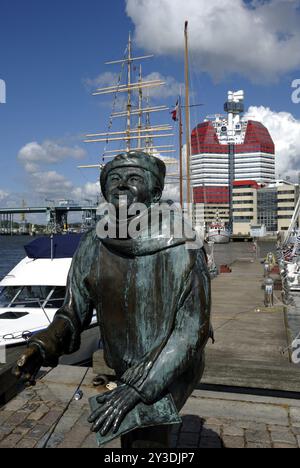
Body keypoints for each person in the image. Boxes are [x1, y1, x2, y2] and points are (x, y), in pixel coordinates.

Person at [14, 151, 211, 447]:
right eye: (114, 180)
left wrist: (136, 388)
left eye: (133, 179)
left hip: (172, 368)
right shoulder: (93, 244)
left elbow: (190, 332)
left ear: (155, 193)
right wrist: (43, 345)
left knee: (145, 437)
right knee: (127, 434)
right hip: (124, 368)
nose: (121, 186)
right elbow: (72, 312)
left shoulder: (184, 246)